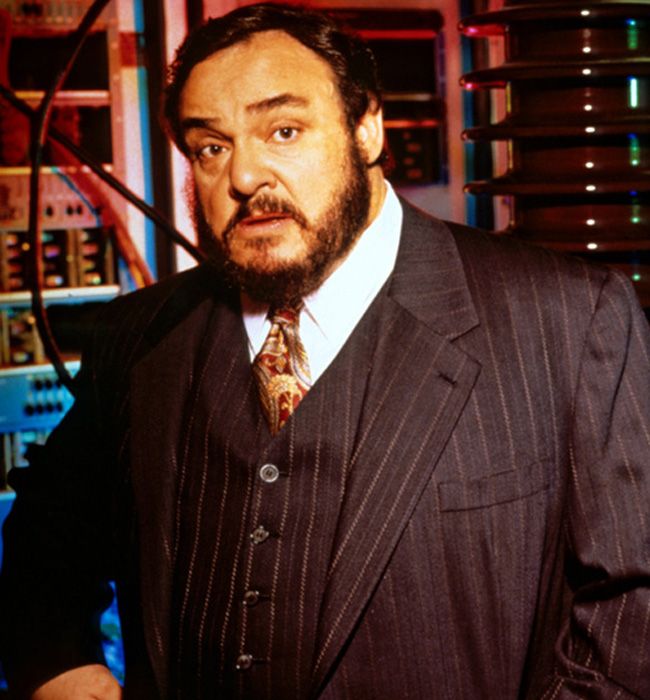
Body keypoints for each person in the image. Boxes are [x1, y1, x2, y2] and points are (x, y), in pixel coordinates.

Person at [1, 3, 649, 698]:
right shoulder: (141, 337)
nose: (243, 177)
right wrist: (65, 673)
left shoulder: (567, 321)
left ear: (366, 127)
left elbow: (630, 618)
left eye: (283, 130)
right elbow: (43, 546)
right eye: (211, 147)